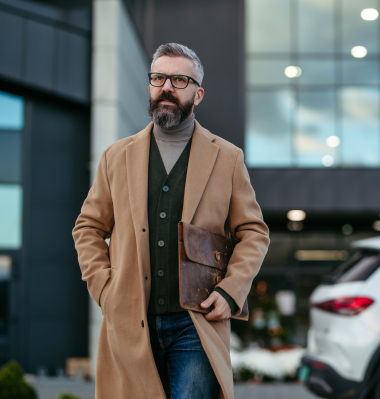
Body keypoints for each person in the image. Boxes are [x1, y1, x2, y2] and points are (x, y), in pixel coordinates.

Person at [72, 43, 269, 399]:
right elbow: (88, 227)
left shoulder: (227, 157)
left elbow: (253, 232)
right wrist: (104, 288)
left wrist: (231, 290)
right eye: (158, 77)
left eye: (180, 79)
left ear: (198, 93)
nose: (167, 87)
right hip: (131, 320)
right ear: (149, 86)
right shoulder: (116, 156)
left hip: (196, 323)